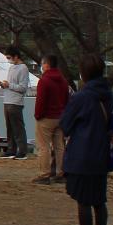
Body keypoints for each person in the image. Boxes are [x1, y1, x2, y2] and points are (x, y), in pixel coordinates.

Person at [59, 56, 113, 225]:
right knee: (99, 199)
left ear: (84, 74)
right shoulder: (107, 95)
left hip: (81, 152)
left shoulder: (82, 97)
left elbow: (65, 124)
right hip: (101, 152)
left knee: (83, 199)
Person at [32, 54, 69, 184]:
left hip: (46, 118)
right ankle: (61, 172)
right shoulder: (63, 81)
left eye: (42, 64)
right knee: (59, 146)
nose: (42, 67)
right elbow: (66, 99)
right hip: (60, 117)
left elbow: (40, 101)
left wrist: (38, 115)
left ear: (46, 65)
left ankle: (44, 174)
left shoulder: (44, 81)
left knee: (43, 146)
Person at [0, 52, 32, 159]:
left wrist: (9, 85)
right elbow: (10, 85)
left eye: (9, 57)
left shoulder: (23, 68)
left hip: (16, 101)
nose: (8, 59)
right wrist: (3, 85)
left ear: (16, 56)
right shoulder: (12, 68)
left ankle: (22, 151)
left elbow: (22, 88)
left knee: (18, 127)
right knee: (9, 127)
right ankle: (11, 149)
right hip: (7, 100)